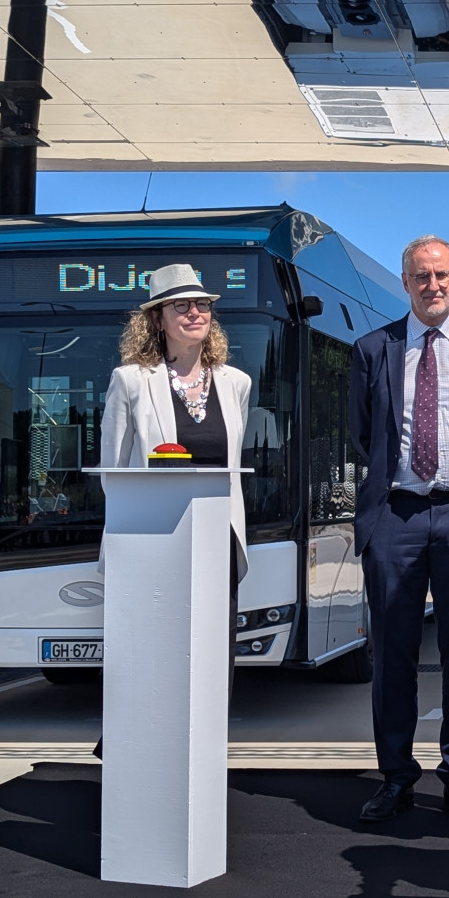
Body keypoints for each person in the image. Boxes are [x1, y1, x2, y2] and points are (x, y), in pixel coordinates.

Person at [348, 235, 449, 823]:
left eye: (442, 274)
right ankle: (395, 775)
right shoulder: (372, 348)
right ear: (406, 282)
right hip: (395, 516)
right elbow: (361, 434)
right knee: (391, 654)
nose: (433, 285)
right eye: (422, 276)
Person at [95, 263, 253, 756]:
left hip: (216, 541)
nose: (194, 312)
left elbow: (230, 466)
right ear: (157, 319)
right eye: (180, 305)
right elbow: (112, 472)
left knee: (211, 654)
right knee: (153, 654)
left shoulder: (237, 383)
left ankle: (204, 749)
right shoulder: (130, 382)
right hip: (155, 542)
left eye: (202, 304)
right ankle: (138, 752)